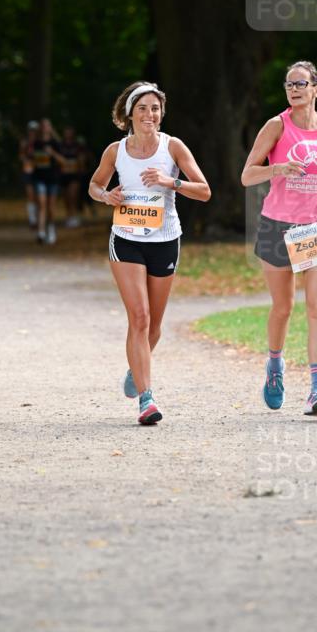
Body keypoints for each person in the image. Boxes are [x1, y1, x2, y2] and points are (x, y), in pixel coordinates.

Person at [241, 60, 317, 415]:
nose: (294, 89)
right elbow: (247, 175)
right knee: (283, 308)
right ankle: (275, 367)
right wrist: (276, 168)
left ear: (316, 89)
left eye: (301, 83)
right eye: (288, 84)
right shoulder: (275, 126)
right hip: (278, 226)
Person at [89, 81, 210, 425]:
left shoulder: (173, 148)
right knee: (139, 318)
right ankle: (147, 398)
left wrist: (171, 182)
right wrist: (106, 196)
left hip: (165, 240)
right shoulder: (116, 151)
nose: (149, 114)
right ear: (129, 113)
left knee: (154, 326)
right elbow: (95, 185)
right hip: (125, 238)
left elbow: (204, 191)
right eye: (142, 108)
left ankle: (136, 369)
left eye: (155, 108)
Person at [32, 117, 61, 244]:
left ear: (50, 128)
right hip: (39, 178)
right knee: (42, 204)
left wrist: (52, 153)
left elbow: (63, 161)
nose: (45, 128)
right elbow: (30, 159)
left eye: (47, 125)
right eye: (42, 125)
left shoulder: (55, 143)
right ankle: (41, 232)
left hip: (53, 178)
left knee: (51, 207)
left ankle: (51, 230)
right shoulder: (36, 143)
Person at [57, 124, 84, 228]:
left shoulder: (77, 145)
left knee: (73, 196)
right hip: (63, 175)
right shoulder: (60, 145)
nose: (68, 133)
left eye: (70, 131)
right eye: (66, 131)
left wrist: (80, 170)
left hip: (74, 175)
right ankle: (68, 216)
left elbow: (81, 159)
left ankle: (74, 216)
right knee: (66, 198)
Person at [19, 120, 39, 229]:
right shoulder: (25, 142)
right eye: (31, 130)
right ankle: (33, 219)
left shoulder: (41, 142)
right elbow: (21, 155)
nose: (33, 132)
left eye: (35, 131)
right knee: (31, 195)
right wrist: (27, 161)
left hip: (40, 171)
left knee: (38, 196)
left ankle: (37, 218)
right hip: (28, 170)